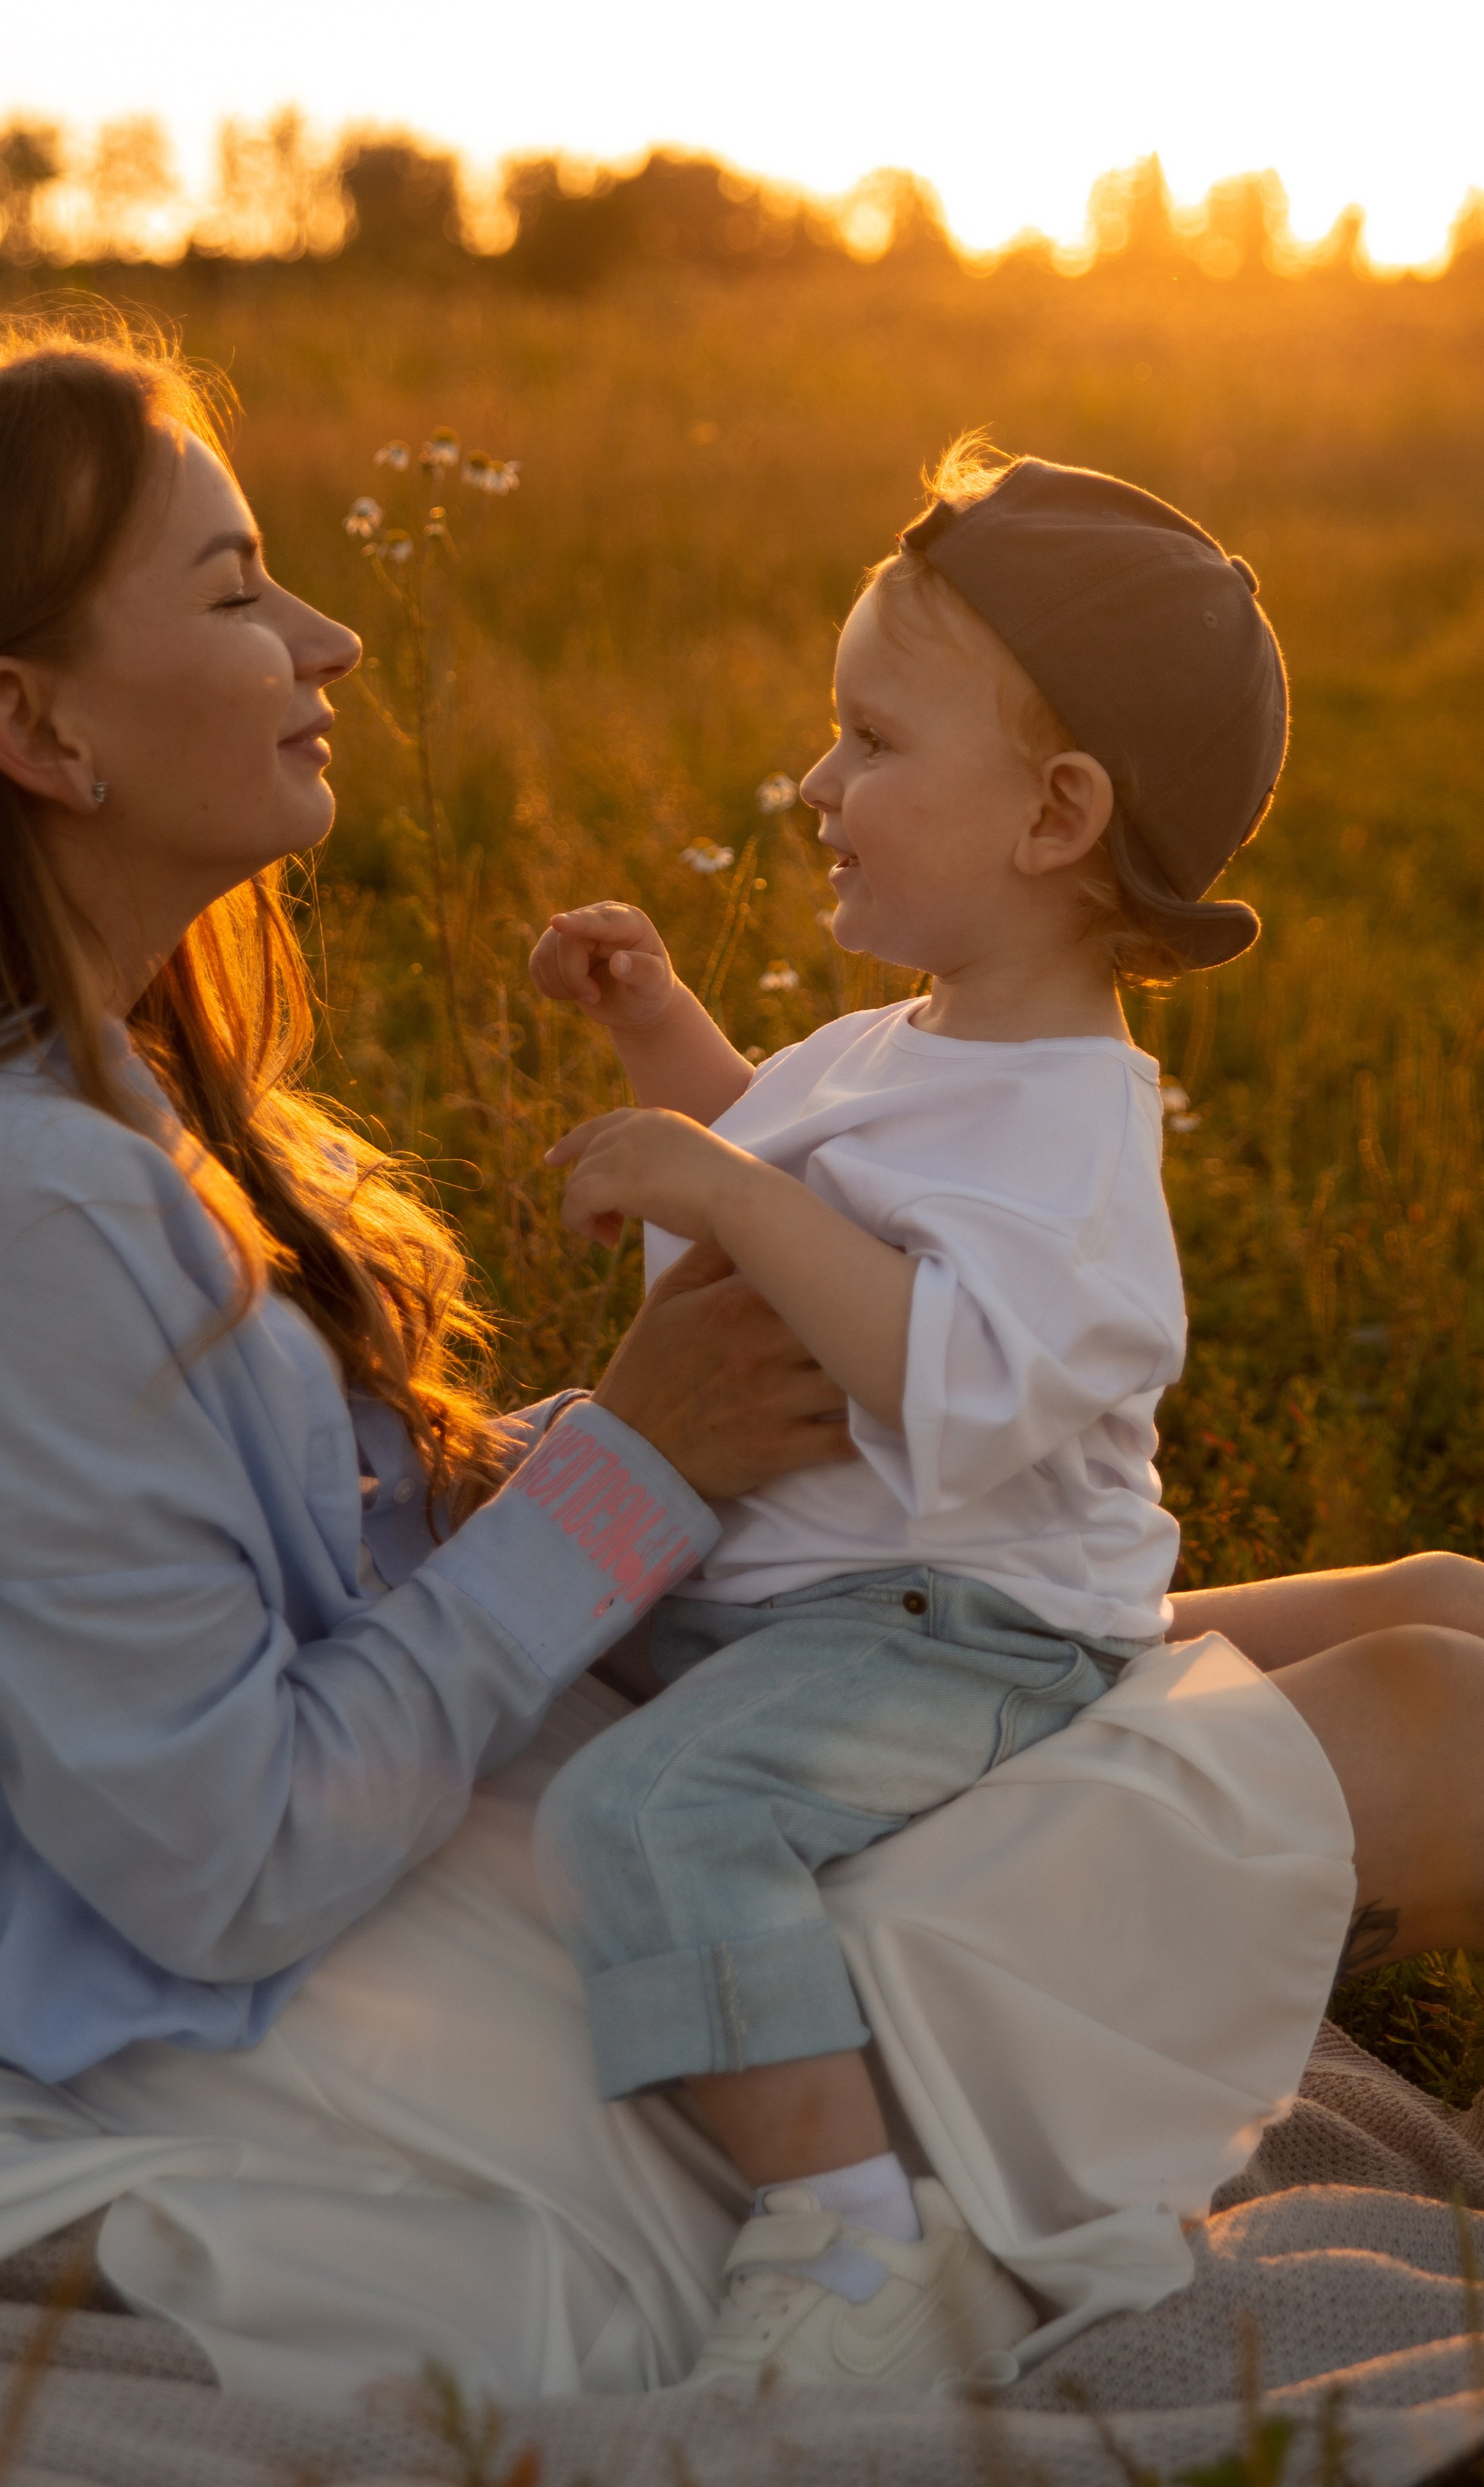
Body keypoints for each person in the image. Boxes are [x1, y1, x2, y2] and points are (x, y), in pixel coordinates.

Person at [0, 322, 1484, 2409]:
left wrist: (600, 1450)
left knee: (1432, 1616)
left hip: (480, 1802)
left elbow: (308, 1562)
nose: (328, 635)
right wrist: (635, 1469)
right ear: (34, 725)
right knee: (1437, 1717)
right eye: (237, 590)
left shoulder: (83, 1109)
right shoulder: (15, 1212)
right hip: (381, 2003)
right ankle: (849, 2218)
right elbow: (228, 1869)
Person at [527, 447, 1285, 2391]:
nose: (814, 785)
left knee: (653, 1807)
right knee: (494, 1534)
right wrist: (662, 1034)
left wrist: (715, 1186)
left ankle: (852, 2245)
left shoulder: (1073, 1131)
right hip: (811, 1580)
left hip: (960, 1622)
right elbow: (805, 1165)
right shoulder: (913, 1041)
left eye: (867, 739)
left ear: (1057, 816)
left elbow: (945, 1375)